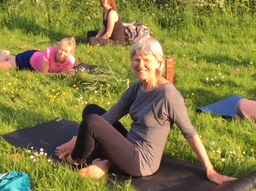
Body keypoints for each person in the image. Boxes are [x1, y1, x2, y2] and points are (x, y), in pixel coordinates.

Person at [55, 37, 236, 183]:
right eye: (136, 59)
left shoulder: (168, 95)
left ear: (158, 63)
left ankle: (75, 160)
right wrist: (76, 139)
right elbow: (110, 117)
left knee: (92, 122)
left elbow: (189, 132)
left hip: (141, 162)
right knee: (92, 111)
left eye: (146, 60)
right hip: (129, 145)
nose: (140, 65)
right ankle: (104, 162)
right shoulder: (138, 88)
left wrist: (210, 170)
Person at [0, 37, 76, 74]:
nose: (62, 53)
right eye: (61, 49)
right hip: (28, 59)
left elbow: (68, 73)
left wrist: (70, 73)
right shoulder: (49, 52)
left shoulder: (70, 61)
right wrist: (60, 74)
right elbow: (44, 73)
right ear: (57, 47)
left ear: (70, 54)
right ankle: (4, 53)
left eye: (65, 52)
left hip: (36, 62)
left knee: (12, 60)